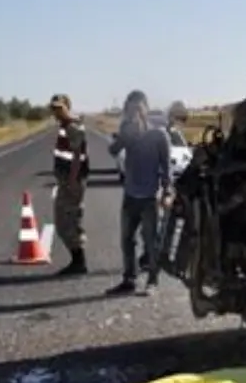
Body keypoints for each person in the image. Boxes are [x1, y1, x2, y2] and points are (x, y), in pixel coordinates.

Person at [106, 90, 172, 296]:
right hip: (130, 196)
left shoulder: (159, 135)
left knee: (152, 243)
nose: (134, 112)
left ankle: (152, 282)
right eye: (130, 108)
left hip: (150, 198)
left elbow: (166, 167)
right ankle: (129, 279)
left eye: (138, 107)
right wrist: (124, 135)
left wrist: (167, 191)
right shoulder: (127, 131)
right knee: (127, 241)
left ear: (146, 108)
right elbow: (113, 151)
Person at [49, 94, 91, 277]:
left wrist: (72, 180)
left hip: (71, 182)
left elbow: (77, 156)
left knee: (69, 221)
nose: (56, 111)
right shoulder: (65, 126)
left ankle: (79, 262)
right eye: (54, 108)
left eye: (60, 108)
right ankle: (77, 261)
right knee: (63, 221)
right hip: (66, 181)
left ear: (67, 107)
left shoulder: (72, 126)